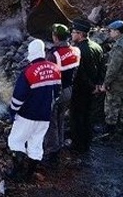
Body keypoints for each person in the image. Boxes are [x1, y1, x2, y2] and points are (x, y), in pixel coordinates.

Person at [8, 39, 61, 181]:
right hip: (45, 116)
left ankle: (17, 172)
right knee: (36, 145)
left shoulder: (28, 72)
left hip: (27, 115)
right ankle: (29, 174)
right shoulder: (55, 69)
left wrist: (12, 111)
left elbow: (18, 98)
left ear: (31, 52)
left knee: (15, 141)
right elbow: (57, 93)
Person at [43, 23, 80, 165]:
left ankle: (52, 152)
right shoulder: (76, 50)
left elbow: (48, 76)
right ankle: (60, 144)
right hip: (69, 89)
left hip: (56, 92)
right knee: (60, 118)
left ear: (55, 37)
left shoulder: (54, 55)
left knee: (51, 122)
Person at [69, 18, 105, 154]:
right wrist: (98, 85)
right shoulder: (97, 46)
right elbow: (102, 67)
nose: (72, 35)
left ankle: (78, 145)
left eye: (73, 32)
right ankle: (87, 142)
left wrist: (91, 86)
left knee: (77, 117)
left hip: (81, 90)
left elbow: (80, 74)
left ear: (80, 34)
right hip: (94, 89)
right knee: (88, 116)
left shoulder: (77, 50)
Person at [101, 20, 123, 139]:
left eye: (111, 31)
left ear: (117, 32)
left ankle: (110, 131)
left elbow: (113, 68)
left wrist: (106, 83)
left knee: (111, 105)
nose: (109, 33)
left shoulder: (119, 47)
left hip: (117, 81)